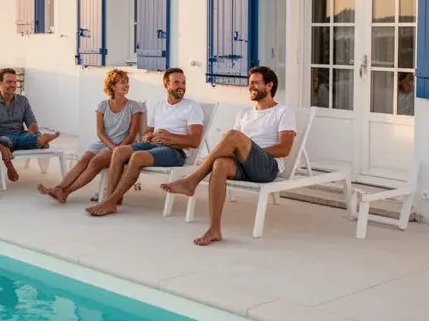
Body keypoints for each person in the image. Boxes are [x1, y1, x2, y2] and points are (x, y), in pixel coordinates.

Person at [162, 66, 296, 246]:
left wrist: (247, 149)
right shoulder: (245, 113)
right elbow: (234, 145)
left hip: (267, 167)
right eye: (249, 84)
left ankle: (192, 180)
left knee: (233, 136)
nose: (251, 87)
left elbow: (284, 149)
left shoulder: (283, 112)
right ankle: (214, 229)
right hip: (244, 164)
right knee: (219, 164)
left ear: (269, 85)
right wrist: (242, 151)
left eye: (256, 83)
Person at [86, 67, 204, 217]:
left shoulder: (192, 107)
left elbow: (194, 141)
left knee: (137, 157)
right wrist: (147, 136)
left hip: (175, 151)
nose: (181, 86)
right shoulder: (159, 105)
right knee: (119, 151)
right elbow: (148, 131)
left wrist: (170, 137)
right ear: (166, 85)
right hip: (153, 145)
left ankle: (110, 201)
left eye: (183, 83)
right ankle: (111, 200)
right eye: (176, 83)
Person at [38, 69, 143, 204]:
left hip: (123, 146)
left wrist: (116, 149)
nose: (126, 85)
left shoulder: (134, 106)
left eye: (127, 82)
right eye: (122, 82)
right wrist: (110, 145)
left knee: (94, 163)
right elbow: (100, 132)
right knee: (84, 160)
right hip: (104, 143)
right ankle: (59, 188)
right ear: (112, 86)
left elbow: (132, 134)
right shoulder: (103, 105)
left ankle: (65, 192)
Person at [0, 68, 60, 182]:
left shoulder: (23, 101)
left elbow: (31, 123)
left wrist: (33, 132)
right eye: (9, 82)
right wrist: (1, 147)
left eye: (14, 82)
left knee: (28, 137)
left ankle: (38, 139)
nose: (12, 85)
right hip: (2, 138)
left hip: (20, 135)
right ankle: (13, 164)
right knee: (6, 141)